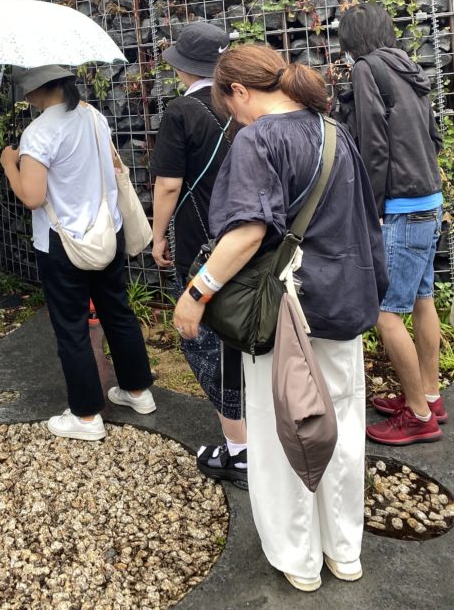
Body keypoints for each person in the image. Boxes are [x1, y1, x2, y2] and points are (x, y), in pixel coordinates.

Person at [174, 44, 387, 592]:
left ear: (239, 91)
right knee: (341, 428)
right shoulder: (333, 131)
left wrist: (196, 293)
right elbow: (367, 223)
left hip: (283, 312)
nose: (234, 119)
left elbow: (246, 232)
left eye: (230, 108)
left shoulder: (259, 139)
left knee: (281, 429)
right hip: (342, 303)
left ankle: (299, 558)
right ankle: (344, 551)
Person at [0, 65, 155, 441]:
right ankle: (138, 392)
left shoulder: (39, 132)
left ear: (36, 91)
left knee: (71, 327)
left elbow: (33, 197)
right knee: (117, 311)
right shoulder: (93, 116)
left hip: (63, 242)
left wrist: (8, 165)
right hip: (107, 231)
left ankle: (86, 416)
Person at [338, 2, 445, 445]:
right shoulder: (407, 67)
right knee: (422, 300)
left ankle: (418, 416)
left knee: (385, 314)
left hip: (401, 206)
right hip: (429, 198)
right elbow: (434, 135)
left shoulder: (367, 69)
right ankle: (430, 396)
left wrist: (373, 206)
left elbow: (374, 144)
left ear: (352, 40)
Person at [150, 22, 248, 486]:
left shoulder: (181, 111)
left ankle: (240, 450)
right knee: (247, 336)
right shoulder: (245, 103)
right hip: (249, 239)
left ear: (183, 68)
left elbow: (169, 184)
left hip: (200, 244)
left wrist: (158, 235)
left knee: (203, 341)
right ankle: (260, 433)